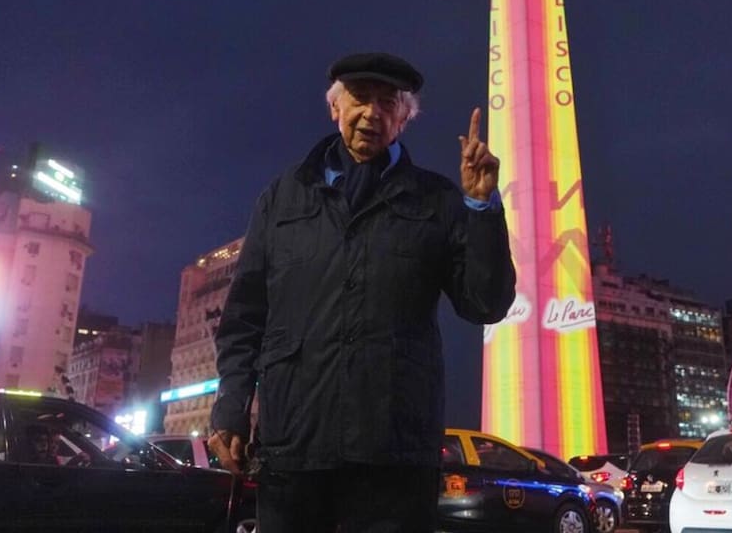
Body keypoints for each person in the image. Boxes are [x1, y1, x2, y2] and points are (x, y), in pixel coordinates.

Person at [208, 52, 516, 533]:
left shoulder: (437, 201)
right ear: (335, 108)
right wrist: (230, 408)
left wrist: (480, 206)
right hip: (294, 448)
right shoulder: (283, 198)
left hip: (394, 455)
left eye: (387, 102)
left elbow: (485, 303)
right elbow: (245, 317)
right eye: (359, 99)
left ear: (404, 118)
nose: (371, 113)